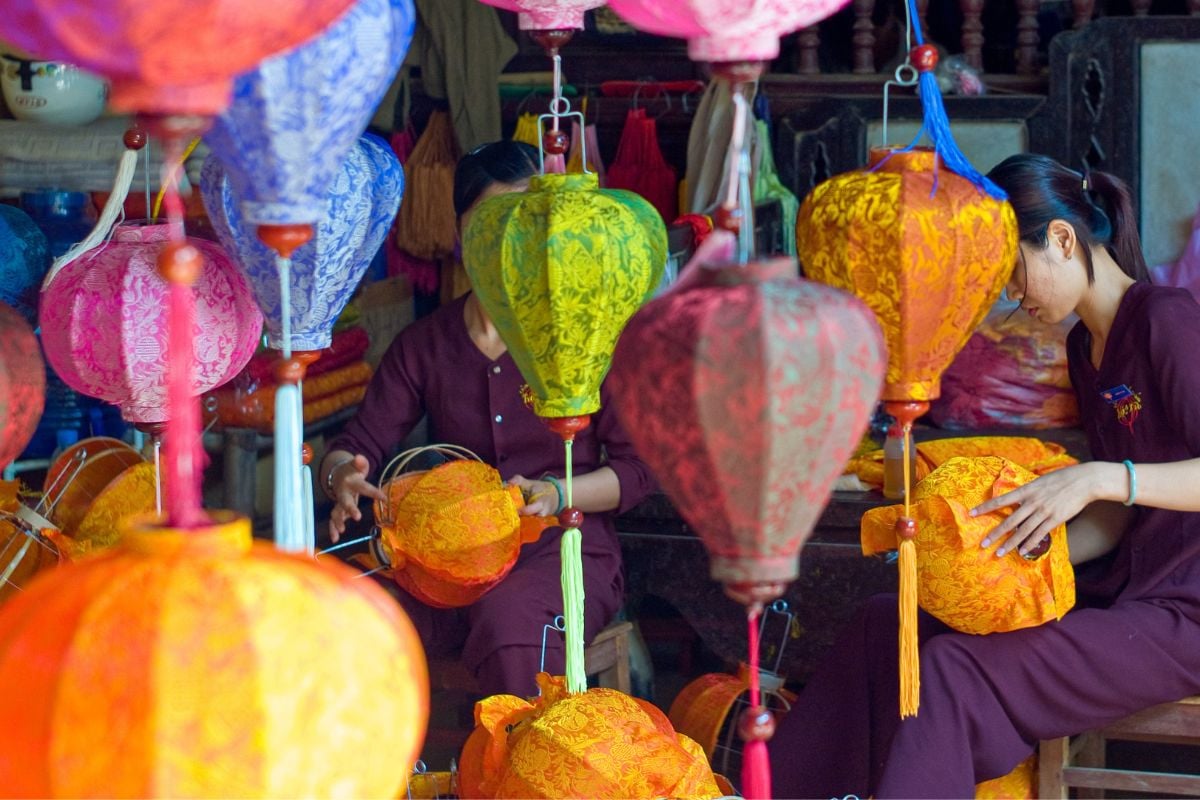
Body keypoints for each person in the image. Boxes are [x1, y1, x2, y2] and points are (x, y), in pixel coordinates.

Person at [770, 153, 1200, 798]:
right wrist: (1002, 553)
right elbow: (1116, 519)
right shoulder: (1087, 347)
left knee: (949, 669)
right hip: (1125, 591)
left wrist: (1101, 478)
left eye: (1011, 271)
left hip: (1183, 614)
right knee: (888, 626)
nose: (1009, 295)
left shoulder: (1166, 319)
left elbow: (1116, 489)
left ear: (1060, 239)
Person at [320, 140, 656, 697]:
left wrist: (554, 491)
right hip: (443, 556)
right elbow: (357, 444)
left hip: (561, 550)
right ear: (460, 236)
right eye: (488, 224)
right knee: (346, 609)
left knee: (508, 624)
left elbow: (638, 472)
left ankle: (517, 774)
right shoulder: (425, 345)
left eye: (521, 223)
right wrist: (341, 478)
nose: (506, 241)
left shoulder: (587, 335)